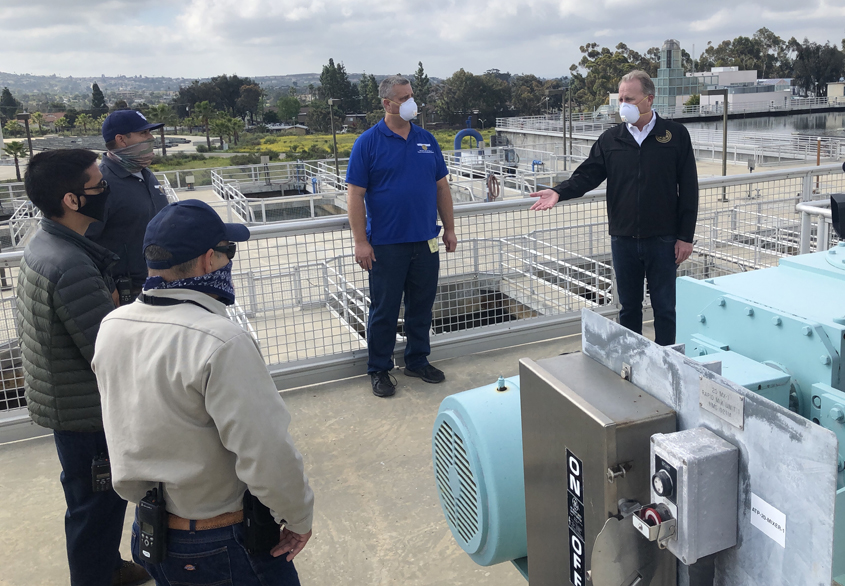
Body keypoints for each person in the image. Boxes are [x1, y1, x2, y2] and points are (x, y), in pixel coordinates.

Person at [92, 199, 314, 586]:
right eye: (228, 252)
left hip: (152, 530)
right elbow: (264, 449)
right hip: (222, 540)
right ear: (210, 260)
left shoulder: (112, 325)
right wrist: (298, 517)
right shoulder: (220, 340)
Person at [16, 149, 149, 585]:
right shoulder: (71, 265)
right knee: (95, 505)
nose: (106, 191)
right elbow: (108, 349)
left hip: (65, 399)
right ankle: (95, 577)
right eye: (99, 185)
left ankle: (109, 568)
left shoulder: (44, 244)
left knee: (92, 500)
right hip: (85, 411)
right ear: (73, 200)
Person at [530, 70, 698, 345]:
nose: (623, 105)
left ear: (648, 99)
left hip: (664, 239)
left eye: (629, 98)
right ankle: (631, 361)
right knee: (628, 309)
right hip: (624, 239)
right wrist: (558, 192)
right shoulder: (611, 139)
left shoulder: (675, 135)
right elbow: (587, 175)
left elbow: (689, 188)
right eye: (620, 99)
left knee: (665, 309)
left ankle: (668, 362)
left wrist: (685, 237)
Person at [346, 75, 458, 398]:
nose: (411, 102)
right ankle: (379, 368)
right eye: (403, 97)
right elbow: (355, 195)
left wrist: (448, 228)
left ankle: (417, 359)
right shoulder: (367, 143)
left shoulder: (426, 140)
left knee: (421, 305)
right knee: (384, 308)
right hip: (385, 244)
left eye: (411, 95)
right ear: (387, 103)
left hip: (425, 241)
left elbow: (441, 187)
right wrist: (360, 241)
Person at [87, 109, 168, 301]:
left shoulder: (146, 174)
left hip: (161, 286)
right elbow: (86, 244)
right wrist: (108, 287)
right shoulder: (101, 184)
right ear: (122, 140)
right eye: (144, 133)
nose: (151, 138)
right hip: (129, 295)